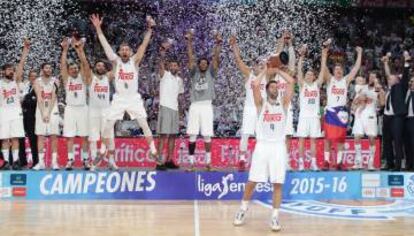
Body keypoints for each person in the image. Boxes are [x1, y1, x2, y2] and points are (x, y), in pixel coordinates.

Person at [90, 14, 158, 168]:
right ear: (119, 52)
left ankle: (153, 151)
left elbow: (144, 44)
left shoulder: (135, 61)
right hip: (119, 98)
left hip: (133, 98)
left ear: (130, 51)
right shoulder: (115, 62)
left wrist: (149, 29)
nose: (125, 51)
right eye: (122, 49)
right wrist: (98, 29)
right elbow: (106, 45)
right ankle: (102, 152)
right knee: (108, 125)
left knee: (144, 124)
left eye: (127, 49)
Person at [233, 67, 294, 232]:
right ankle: (242, 210)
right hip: (263, 146)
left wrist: (277, 71)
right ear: (267, 90)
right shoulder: (261, 104)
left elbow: (291, 82)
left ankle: (274, 217)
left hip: (278, 147)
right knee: (252, 181)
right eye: (272, 87)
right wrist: (266, 72)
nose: (275, 88)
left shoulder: (284, 104)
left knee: (277, 184)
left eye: (276, 87)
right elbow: (254, 84)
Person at [321, 42, 362, 170]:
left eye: (340, 70)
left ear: (343, 72)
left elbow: (355, 69)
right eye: (336, 69)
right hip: (331, 112)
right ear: (334, 71)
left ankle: (338, 162)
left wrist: (359, 54)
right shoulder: (330, 79)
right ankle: (327, 161)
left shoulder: (346, 80)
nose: (338, 71)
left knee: (340, 139)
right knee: (327, 138)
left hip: (342, 114)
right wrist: (324, 53)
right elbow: (323, 67)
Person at [185, 28, 222, 170]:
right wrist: (189, 42)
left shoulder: (211, 73)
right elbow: (190, 58)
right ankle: (191, 163)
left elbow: (216, 59)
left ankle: (208, 163)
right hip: (194, 105)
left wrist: (218, 44)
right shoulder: (193, 72)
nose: (203, 65)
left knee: (207, 135)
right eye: (201, 63)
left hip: (207, 106)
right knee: (193, 135)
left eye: (205, 63)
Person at [229, 34, 267, 171]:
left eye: (262, 65)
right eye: (258, 65)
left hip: (261, 110)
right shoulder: (249, 74)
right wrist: (234, 45)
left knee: (261, 136)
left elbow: (276, 61)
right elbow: (239, 60)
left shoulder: (266, 76)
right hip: (249, 108)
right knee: (245, 134)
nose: (260, 67)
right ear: (254, 66)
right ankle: (242, 160)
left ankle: (260, 160)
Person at [60, 37, 90, 170]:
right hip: (70, 109)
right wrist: (65, 50)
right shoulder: (67, 80)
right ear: (69, 70)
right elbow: (62, 66)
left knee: (84, 136)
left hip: (83, 108)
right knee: (70, 137)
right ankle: (70, 160)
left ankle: (85, 160)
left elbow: (85, 65)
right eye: (71, 68)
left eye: (76, 68)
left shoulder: (82, 78)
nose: (74, 70)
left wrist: (80, 51)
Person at [0, 38, 30, 170]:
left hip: (16, 111)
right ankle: (6, 162)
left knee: (16, 137)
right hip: (3, 111)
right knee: (5, 138)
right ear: (3, 72)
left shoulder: (16, 80)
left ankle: (16, 161)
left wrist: (25, 49)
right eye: (8, 70)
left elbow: (22, 64)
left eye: (12, 69)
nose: (11, 71)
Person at [296, 45, 325, 171]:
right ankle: (301, 163)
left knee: (313, 141)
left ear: (314, 77)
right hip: (303, 116)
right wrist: (301, 58)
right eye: (307, 74)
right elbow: (298, 72)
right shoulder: (302, 85)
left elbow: (323, 71)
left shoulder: (317, 85)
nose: (308, 76)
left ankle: (313, 163)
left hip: (314, 117)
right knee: (301, 140)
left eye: (310, 75)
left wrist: (324, 57)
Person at [156, 42, 184, 170]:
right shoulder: (164, 75)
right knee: (163, 136)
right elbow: (160, 62)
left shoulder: (180, 80)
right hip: (165, 108)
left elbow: (180, 97)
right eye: (171, 65)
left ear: (178, 68)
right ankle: (159, 162)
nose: (173, 67)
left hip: (175, 109)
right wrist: (162, 52)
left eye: (175, 65)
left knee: (173, 136)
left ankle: (169, 160)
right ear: (169, 67)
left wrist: (182, 112)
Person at [382, 51, 411, 171]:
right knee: (387, 141)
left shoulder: (401, 86)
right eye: (389, 77)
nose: (390, 77)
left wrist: (406, 61)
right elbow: (387, 73)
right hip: (387, 117)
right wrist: (385, 62)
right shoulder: (388, 88)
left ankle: (398, 166)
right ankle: (389, 163)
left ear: (397, 80)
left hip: (397, 117)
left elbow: (405, 75)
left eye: (393, 77)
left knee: (397, 141)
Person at [351, 73, 385, 170]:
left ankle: (371, 162)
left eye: (373, 77)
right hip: (359, 114)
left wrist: (380, 92)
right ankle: (358, 162)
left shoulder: (378, 89)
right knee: (357, 136)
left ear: (377, 79)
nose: (371, 78)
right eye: (370, 77)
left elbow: (382, 103)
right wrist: (361, 101)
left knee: (371, 138)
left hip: (370, 115)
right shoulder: (363, 87)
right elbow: (356, 100)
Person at [32, 62, 60, 170]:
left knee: (54, 135)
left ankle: (54, 162)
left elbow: (53, 97)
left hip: (53, 109)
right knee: (40, 135)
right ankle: (41, 162)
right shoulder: (37, 81)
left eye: (50, 68)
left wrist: (48, 113)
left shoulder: (56, 81)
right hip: (40, 109)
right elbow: (39, 97)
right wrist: (43, 112)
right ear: (42, 69)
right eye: (46, 68)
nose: (49, 69)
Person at [19, 70, 39, 168]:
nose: (33, 78)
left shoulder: (39, 87)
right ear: (29, 77)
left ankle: (36, 162)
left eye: (35, 76)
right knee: (20, 138)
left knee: (33, 139)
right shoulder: (25, 86)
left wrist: (25, 99)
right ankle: (22, 162)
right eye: (31, 76)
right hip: (22, 116)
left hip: (32, 117)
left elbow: (36, 103)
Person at [405, 78, 414, 171]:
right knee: (407, 143)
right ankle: (409, 164)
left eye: (413, 81)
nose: (411, 83)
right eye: (410, 81)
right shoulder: (407, 92)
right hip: (406, 119)